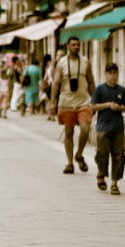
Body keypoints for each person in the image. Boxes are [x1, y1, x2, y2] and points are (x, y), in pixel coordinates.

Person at [51, 37, 95, 174]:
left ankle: (79, 154)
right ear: (68, 47)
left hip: (83, 101)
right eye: (73, 45)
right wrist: (53, 102)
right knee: (68, 132)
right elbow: (56, 83)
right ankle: (70, 163)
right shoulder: (61, 63)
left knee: (85, 129)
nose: (76, 47)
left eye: (78, 45)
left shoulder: (85, 62)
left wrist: (95, 100)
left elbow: (91, 81)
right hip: (66, 102)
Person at [90, 63, 125, 195]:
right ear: (106, 74)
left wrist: (120, 108)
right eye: (110, 73)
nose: (113, 76)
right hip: (103, 126)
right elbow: (92, 106)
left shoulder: (122, 90)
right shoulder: (100, 89)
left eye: (115, 73)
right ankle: (101, 174)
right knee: (102, 152)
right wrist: (108, 105)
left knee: (118, 156)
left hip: (118, 126)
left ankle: (114, 183)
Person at [44, 49, 66, 121]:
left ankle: (51, 115)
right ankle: (51, 115)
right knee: (53, 101)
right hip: (54, 85)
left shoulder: (63, 64)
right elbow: (54, 77)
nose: (59, 57)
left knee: (54, 101)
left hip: (58, 85)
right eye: (58, 55)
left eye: (61, 55)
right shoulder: (54, 65)